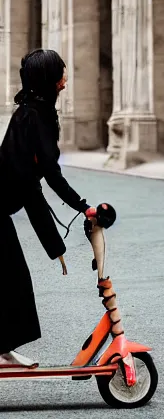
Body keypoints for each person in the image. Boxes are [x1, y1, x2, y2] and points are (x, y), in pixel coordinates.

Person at [0, 49, 94, 369]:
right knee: (13, 280)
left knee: (12, 280)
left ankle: (3, 351)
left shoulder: (34, 112)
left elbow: (31, 185)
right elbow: (49, 177)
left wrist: (55, 247)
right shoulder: (32, 116)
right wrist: (84, 208)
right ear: (47, 79)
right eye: (60, 75)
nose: (64, 82)